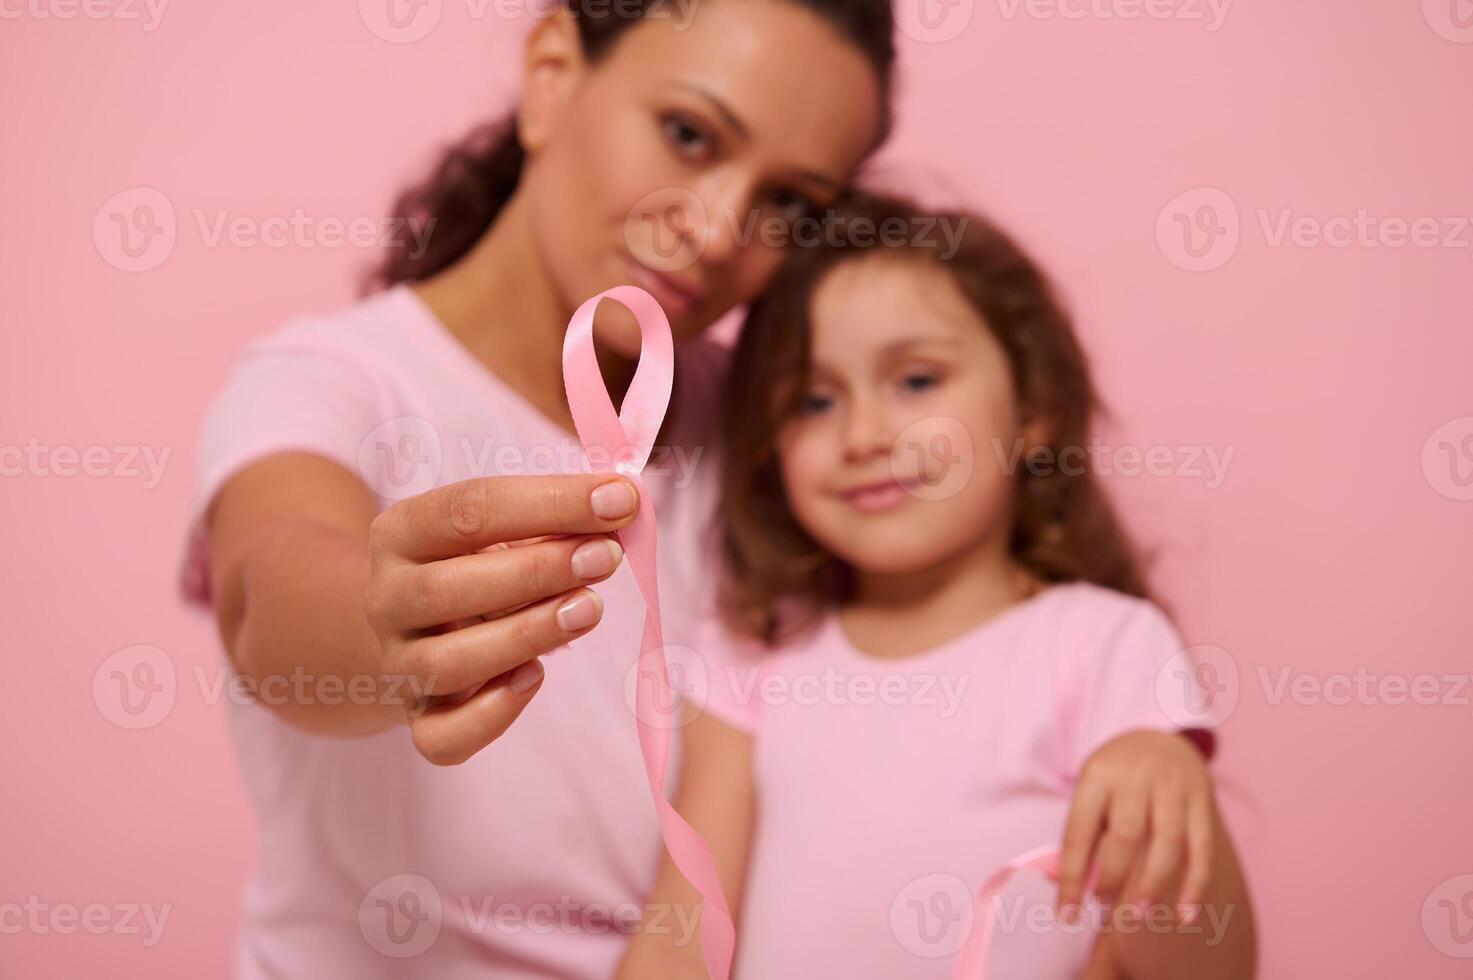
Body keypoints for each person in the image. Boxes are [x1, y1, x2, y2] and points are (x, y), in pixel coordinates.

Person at [179, 2, 895, 976]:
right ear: (552, 74)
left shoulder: (779, 435)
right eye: (689, 134)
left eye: (790, 204)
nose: (723, 229)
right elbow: (266, 596)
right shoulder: (333, 382)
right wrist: (389, 624)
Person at [617, 193, 1258, 979]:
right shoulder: (755, 649)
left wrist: (1167, 781)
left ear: (1033, 410)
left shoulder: (1101, 646)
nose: (864, 436)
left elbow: (1209, 969)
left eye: (917, 381)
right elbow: (682, 930)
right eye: (814, 401)